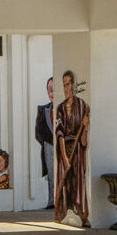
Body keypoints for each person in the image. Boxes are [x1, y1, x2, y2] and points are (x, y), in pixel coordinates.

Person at [50, 71, 91, 226]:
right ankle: (62, 212)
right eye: (64, 84)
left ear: (74, 85)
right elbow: (59, 134)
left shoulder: (82, 106)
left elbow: (84, 142)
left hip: (77, 151)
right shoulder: (60, 108)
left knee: (78, 180)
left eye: (68, 84)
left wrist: (85, 128)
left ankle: (82, 214)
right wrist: (65, 159)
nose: (66, 88)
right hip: (65, 149)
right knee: (64, 181)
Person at [34, 76, 55, 194]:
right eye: (49, 89)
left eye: (54, 89)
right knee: (51, 174)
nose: (52, 93)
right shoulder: (43, 110)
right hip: (49, 145)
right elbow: (38, 132)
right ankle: (52, 200)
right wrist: (48, 143)